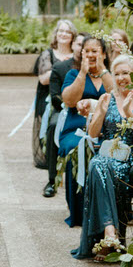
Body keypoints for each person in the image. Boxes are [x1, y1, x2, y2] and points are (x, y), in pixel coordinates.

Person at [72, 55, 133, 259]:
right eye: (118, 74)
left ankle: (108, 237)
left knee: (101, 168)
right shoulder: (107, 97)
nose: (121, 78)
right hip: (107, 153)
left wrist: (130, 113)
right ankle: (110, 233)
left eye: (126, 73)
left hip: (131, 155)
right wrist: (101, 112)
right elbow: (93, 135)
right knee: (97, 164)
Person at [58, 35, 114, 227]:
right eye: (87, 51)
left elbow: (117, 97)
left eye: (95, 51)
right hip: (77, 128)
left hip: (105, 129)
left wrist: (103, 71)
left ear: (104, 54)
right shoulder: (73, 75)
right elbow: (69, 101)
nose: (90, 55)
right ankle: (79, 212)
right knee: (77, 147)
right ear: (81, 54)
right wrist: (83, 73)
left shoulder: (111, 74)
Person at [42, 31, 82, 198]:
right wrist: (72, 104)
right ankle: (52, 180)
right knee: (53, 126)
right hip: (64, 110)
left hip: (92, 111)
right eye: (79, 44)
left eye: (84, 45)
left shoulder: (99, 67)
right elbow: (55, 97)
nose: (81, 48)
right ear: (73, 45)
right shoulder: (60, 67)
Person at [33, 19, 76, 169]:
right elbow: (44, 79)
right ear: (56, 34)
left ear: (73, 36)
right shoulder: (48, 54)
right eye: (61, 31)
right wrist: (60, 68)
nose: (64, 34)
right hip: (50, 98)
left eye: (67, 31)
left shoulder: (76, 55)